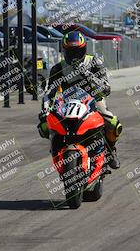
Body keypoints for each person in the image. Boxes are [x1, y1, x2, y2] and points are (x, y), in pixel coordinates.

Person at [38, 30, 122, 169]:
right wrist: (45, 110)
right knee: (45, 126)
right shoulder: (58, 68)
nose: (74, 56)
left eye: (77, 52)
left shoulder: (94, 62)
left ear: (84, 49)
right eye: (71, 52)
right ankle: (57, 149)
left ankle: (111, 151)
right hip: (67, 102)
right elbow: (49, 92)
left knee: (113, 124)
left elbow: (106, 89)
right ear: (65, 51)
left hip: (94, 99)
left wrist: (87, 74)